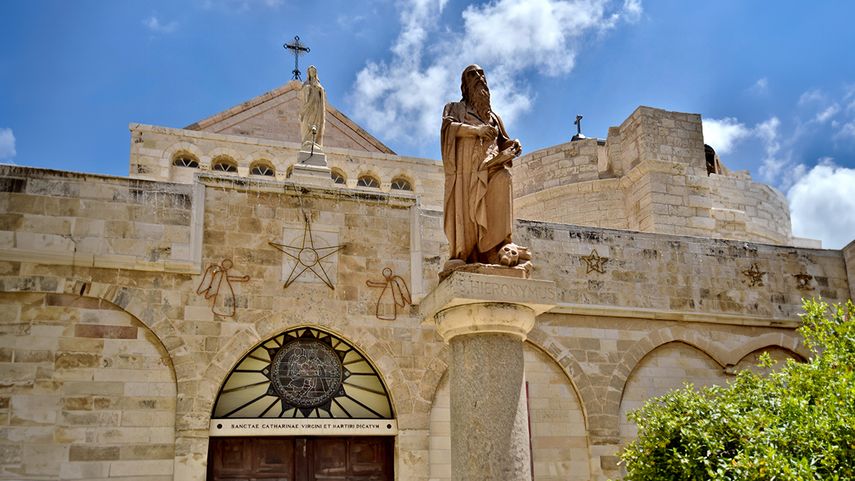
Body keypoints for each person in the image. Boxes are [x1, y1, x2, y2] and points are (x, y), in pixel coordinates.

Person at [440, 64, 522, 266]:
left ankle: (496, 246)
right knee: (468, 212)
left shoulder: (494, 117)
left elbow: (503, 140)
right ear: (465, 85)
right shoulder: (455, 108)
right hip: (467, 169)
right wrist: (476, 131)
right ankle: (469, 253)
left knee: (504, 178)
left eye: (481, 74)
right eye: (472, 74)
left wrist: (513, 145)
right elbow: (448, 128)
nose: (479, 77)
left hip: (491, 166)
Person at [299, 65, 325, 149]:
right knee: (307, 122)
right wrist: (307, 88)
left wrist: (319, 89)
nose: (312, 72)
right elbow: (302, 95)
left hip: (316, 105)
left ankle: (314, 140)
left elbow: (323, 93)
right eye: (311, 71)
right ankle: (307, 139)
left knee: (316, 121)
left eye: (313, 71)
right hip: (307, 106)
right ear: (308, 73)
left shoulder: (318, 84)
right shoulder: (306, 84)